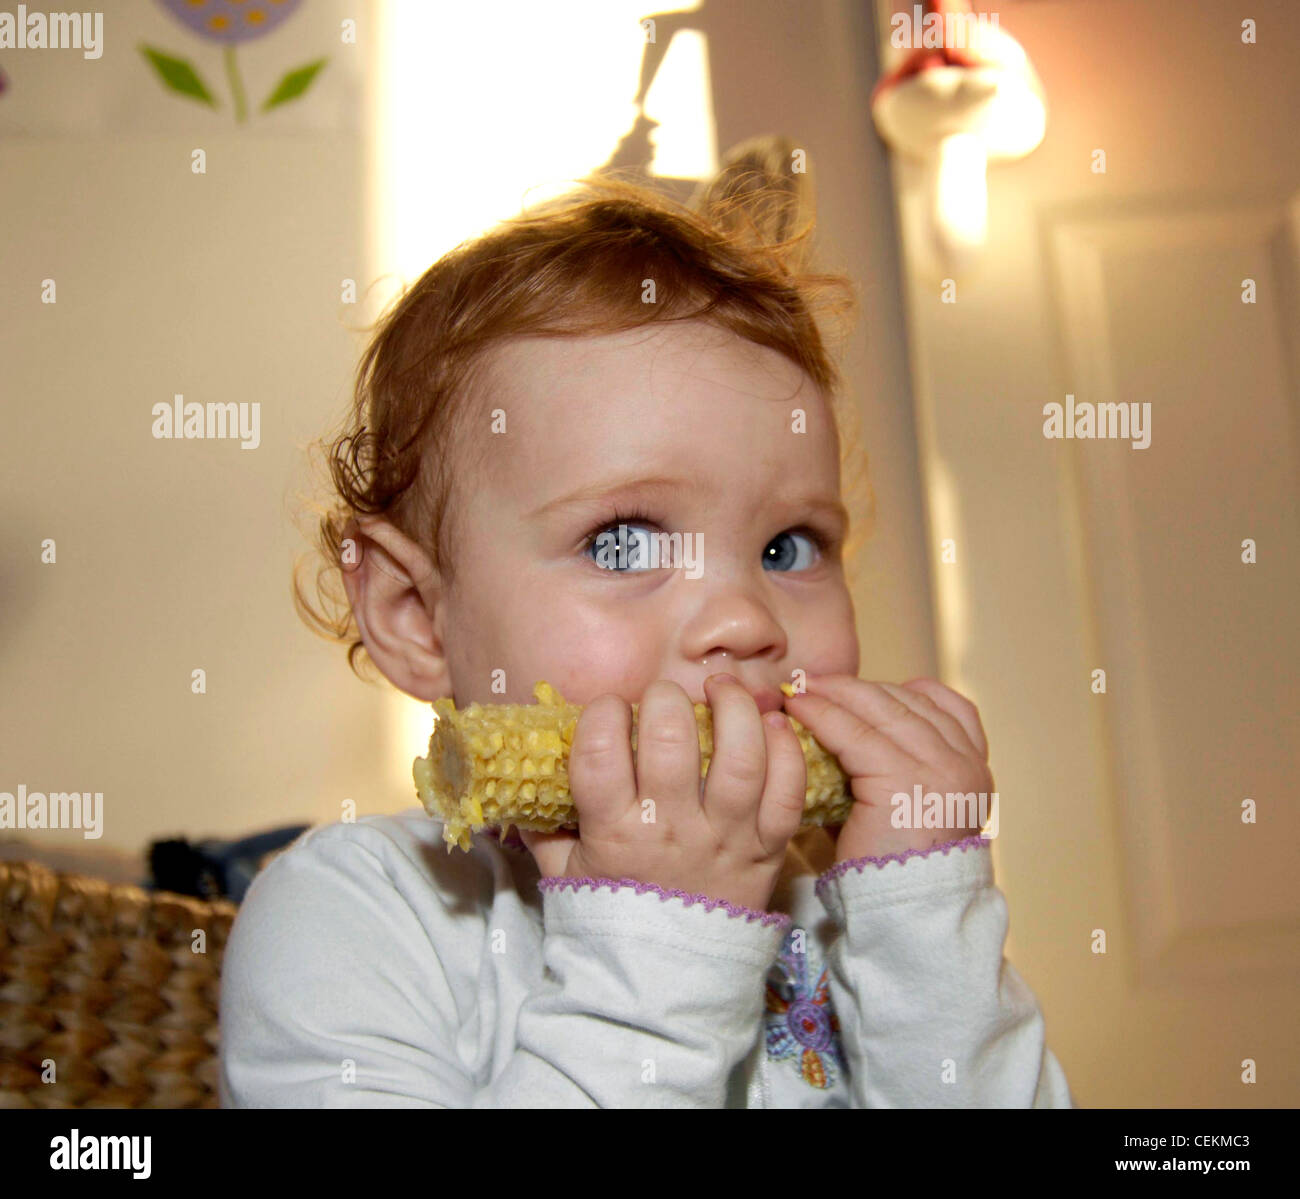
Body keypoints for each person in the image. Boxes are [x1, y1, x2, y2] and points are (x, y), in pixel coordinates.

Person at [218, 144, 1074, 1108]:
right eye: (623, 543)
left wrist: (930, 926)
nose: (746, 617)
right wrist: (660, 946)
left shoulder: (851, 916)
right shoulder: (355, 920)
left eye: (790, 545)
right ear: (415, 615)